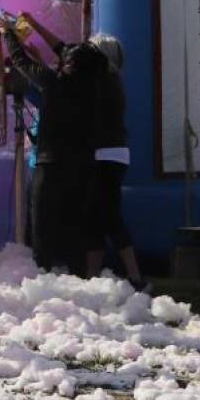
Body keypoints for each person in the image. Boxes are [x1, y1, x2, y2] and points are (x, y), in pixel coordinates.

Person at [0, 11, 107, 273]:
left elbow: (21, 62)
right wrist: (35, 24)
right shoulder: (92, 85)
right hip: (84, 167)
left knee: (43, 228)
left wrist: (7, 33)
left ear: (70, 66)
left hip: (53, 166)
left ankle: (43, 276)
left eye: (64, 60)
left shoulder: (56, 84)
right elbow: (63, 51)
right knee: (75, 228)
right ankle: (79, 279)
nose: (60, 59)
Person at [85, 33, 149, 291]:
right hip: (116, 153)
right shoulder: (114, 81)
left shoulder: (100, 82)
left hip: (104, 154)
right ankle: (94, 276)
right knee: (100, 216)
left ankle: (134, 276)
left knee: (108, 216)